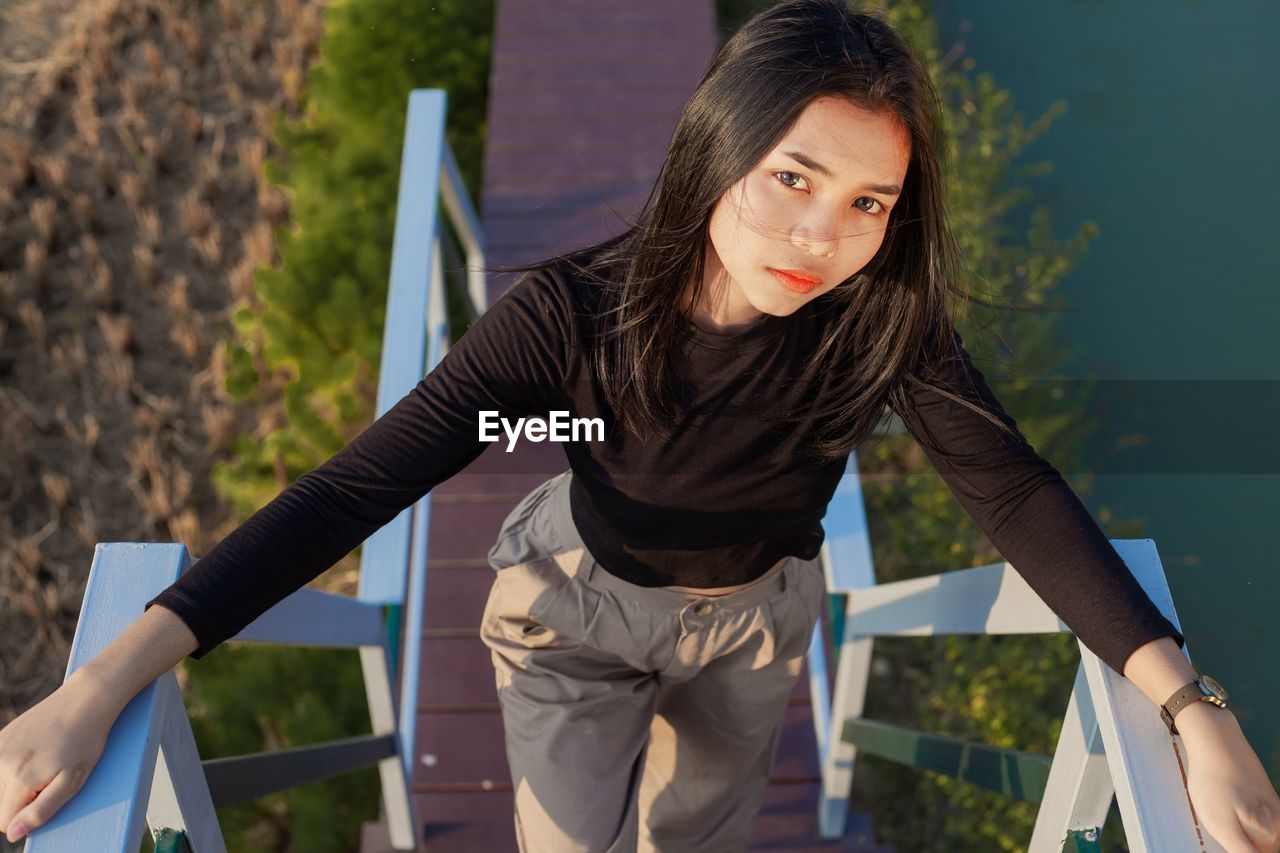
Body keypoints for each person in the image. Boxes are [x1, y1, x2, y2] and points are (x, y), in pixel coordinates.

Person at [2, 0, 1278, 849]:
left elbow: (1009, 491)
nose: (819, 236)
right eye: (791, 176)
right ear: (714, 149)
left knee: (698, 836)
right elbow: (347, 494)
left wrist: (1188, 706)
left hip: (753, 617)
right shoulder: (567, 319)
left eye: (868, 201)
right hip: (572, 607)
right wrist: (104, 683)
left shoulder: (880, 323)